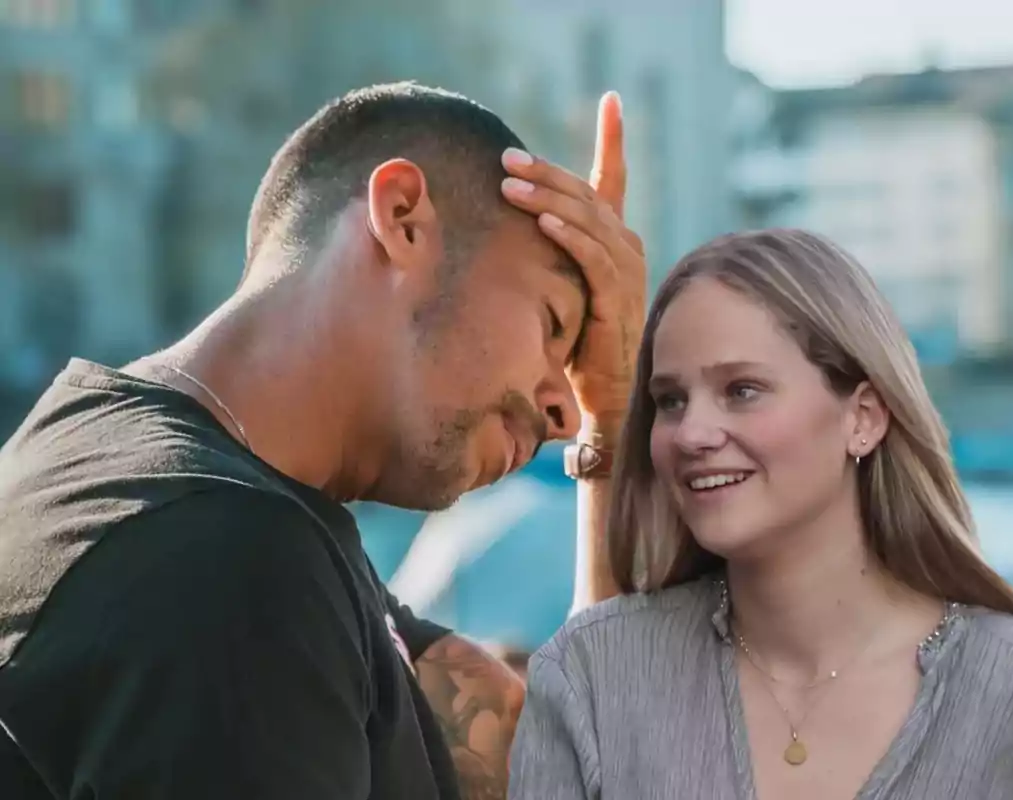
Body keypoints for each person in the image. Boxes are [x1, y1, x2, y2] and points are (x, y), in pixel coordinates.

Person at [0, 81, 645, 800]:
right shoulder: (221, 560)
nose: (564, 408)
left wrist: (614, 413)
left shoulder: (201, 503)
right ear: (402, 217)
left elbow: (569, 770)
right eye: (554, 324)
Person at [509, 229, 1013, 799]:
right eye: (670, 400)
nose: (691, 433)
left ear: (863, 418)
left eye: (742, 390)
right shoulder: (593, 674)